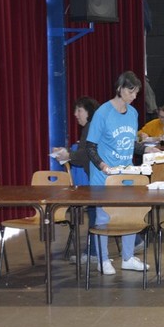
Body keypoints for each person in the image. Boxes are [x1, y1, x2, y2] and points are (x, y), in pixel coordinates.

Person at [86, 71, 155, 275]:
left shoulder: (132, 113)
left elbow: (130, 143)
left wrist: (147, 149)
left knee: (129, 215)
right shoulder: (103, 113)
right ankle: (103, 260)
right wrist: (103, 166)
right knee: (103, 217)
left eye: (136, 92)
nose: (134, 96)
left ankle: (127, 258)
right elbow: (90, 146)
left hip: (126, 174)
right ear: (119, 89)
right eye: (130, 92)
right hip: (104, 176)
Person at [53, 96, 100, 264]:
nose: (75, 114)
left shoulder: (90, 127)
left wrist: (68, 155)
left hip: (98, 178)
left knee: (95, 211)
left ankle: (93, 253)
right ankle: (136, 241)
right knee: (97, 211)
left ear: (89, 112)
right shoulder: (92, 126)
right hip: (98, 177)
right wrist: (68, 153)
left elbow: (85, 155)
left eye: (79, 110)